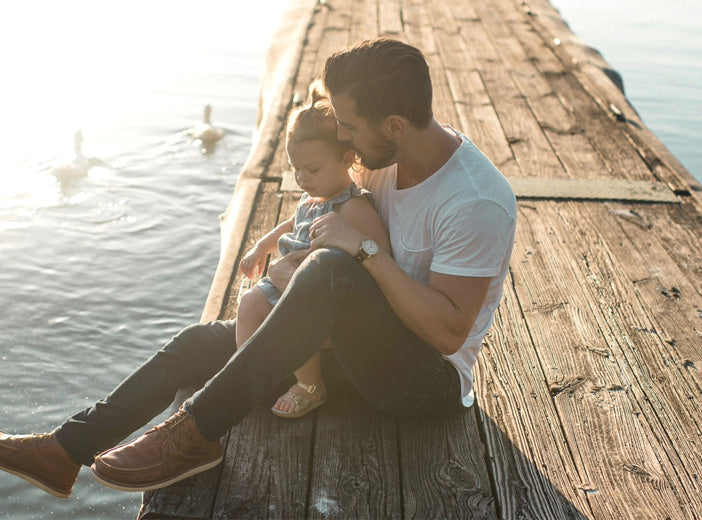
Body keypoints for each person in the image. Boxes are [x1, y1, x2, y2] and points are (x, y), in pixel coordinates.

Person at [0, 37, 516, 498]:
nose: (342, 136)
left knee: (329, 272)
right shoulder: (387, 160)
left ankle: (195, 432)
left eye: (349, 126)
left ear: (395, 127)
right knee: (199, 343)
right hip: (354, 343)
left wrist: (363, 253)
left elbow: (449, 335)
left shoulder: (473, 202)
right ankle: (64, 451)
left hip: (422, 380)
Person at [236, 82, 390, 418]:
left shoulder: (353, 207)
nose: (302, 178)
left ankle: (310, 384)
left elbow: (381, 255)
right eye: (296, 169)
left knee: (293, 321)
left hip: (320, 297)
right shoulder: (313, 197)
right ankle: (250, 376)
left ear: (348, 158)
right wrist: (262, 246)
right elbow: (292, 223)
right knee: (248, 305)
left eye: (313, 169)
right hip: (287, 279)